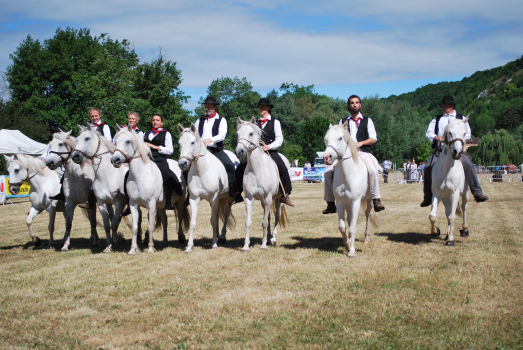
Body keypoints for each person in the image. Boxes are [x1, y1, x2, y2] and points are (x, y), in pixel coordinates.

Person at [420, 95, 489, 206]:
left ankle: (477, 193)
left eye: (444, 106)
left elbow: (468, 134)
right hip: (440, 150)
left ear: (451, 106)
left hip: (457, 150)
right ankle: (428, 196)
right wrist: (438, 138)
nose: (442, 107)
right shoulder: (437, 119)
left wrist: (458, 141)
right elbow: (429, 132)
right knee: (428, 167)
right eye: (442, 106)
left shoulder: (461, 119)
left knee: (468, 165)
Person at [322, 95, 385, 214]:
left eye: (357, 102)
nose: (354, 105)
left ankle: (376, 199)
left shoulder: (367, 120)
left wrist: (360, 143)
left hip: (363, 152)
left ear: (360, 105)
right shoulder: (343, 121)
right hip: (346, 154)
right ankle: (330, 203)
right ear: (348, 106)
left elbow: (373, 138)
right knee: (327, 173)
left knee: (372, 170)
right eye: (352, 103)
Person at [233, 98, 294, 206]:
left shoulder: (275, 122)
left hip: (270, 150)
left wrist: (269, 146)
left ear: (268, 108)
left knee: (283, 168)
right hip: (256, 151)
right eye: (260, 107)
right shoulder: (254, 123)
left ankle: (285, 194)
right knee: (240, 167)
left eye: (263, 107)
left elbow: (279, 139)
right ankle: (237, 193)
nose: (261, 109)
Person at [193, 96, 236, 196]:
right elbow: (194, 133)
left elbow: (222, 135)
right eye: (206, 106)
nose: (206, 108)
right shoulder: (199, 120)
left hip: (216, 149)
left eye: (209, 106)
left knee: (229, 165)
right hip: (201, 151)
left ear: (215, 107)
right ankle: (188, 192)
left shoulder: (221, 120)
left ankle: (233, 191)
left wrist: (210, 140)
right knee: (187, 167)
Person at [144, 114, 183, 210]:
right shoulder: (146, 133)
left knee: (166, 174)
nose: (155, 122)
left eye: (157, 120)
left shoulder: (166, 133)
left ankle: (168, 201)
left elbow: (170, 150)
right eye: (153, 120)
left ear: (162, 122)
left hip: (159, 158)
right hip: (146, 158)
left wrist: (156, 147)